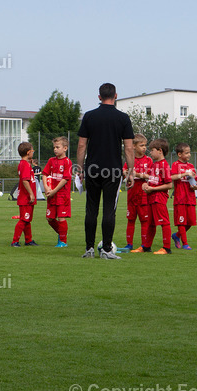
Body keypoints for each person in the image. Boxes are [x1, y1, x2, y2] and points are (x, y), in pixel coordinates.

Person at [76, 83, 135, 260]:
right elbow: (129, 149)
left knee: (91, 209)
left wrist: (80, 169)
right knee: (109, 209)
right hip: (113, 170)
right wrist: (130, 171)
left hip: (92, 169)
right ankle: (107, 250)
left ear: (99, 97)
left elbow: (81, 145)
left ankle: (89, 249)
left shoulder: (89, 116)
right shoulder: (123, 118)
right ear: (115, 95)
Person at [138, 138, 173, 255]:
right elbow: (153, 181)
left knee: (164, 222)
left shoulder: (164, 165)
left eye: (152, 150)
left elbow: (169, 184)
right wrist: (146, 185)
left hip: (159, 198)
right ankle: (146, 246)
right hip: (151, 198)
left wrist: (153, 189)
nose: (150, 153)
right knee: (151, 223)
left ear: (160, 151)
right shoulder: (154, 165)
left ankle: (167, 248)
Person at [118, 134, 152, 253]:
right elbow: (124, 172)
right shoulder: (129, 159)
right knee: (130, 219)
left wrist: (138, 175)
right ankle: (129, 244)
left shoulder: (148, 160)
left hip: (143, 195)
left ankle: (144, 244)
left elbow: (152, 176)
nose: (144, 148)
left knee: (144, 220)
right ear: (133, 146)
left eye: (145, 145)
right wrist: (125, 173)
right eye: (141, 145)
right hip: (131, 194)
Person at [43, 136, 73, 248]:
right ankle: (62, 234)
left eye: (57, 147)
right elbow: (45, 174)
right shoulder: (51, 160)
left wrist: (54, 191)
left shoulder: (67, 162)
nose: (55, 149)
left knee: (61, 218)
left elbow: (65, 179)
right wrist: (46, 187)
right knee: (49, 218)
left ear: (65, 148)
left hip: (62, 195)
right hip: (51, 194)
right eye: (54, 147)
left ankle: (63, 241)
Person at [169, 142, 197, 251]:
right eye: (187, 153)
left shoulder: (191, 166)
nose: (189, 155)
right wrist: (185, 174)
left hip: (190, 198)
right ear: (179, 154)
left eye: (189, 152)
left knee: (190, 222)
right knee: (181, 221)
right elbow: (171, 177)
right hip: (180, 198)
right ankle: (185, 243)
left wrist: (195, 186)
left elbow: (194, 180)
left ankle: (177, 235)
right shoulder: (175, 165)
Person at [11, 142, 39, 246]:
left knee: (27, 220)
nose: (33, 152)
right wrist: (31, 194)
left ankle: (28, 240)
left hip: (26, 198)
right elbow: (25, 181)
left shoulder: (25, 164)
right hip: (25, 197)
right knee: (24, 219)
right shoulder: (25, 165)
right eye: (32, 151)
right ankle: (15, 241)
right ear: (28, 152)